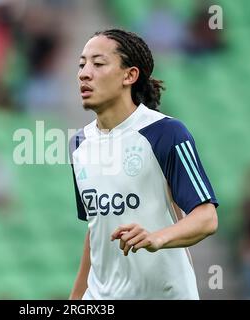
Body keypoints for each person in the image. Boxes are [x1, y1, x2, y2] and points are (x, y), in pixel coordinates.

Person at [69, 29, 219, 300]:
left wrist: (157, 237)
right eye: (82, 64)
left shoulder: (166, 133)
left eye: (98, 64)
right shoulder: (79, 144)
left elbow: (206, 217)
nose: (84, 73)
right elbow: (96, 231)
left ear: (129, 75)